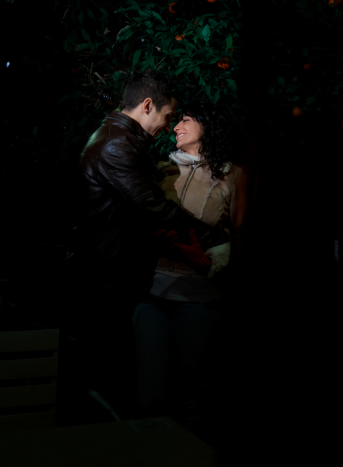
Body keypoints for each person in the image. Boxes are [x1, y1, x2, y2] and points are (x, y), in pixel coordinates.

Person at [68, 70, 229, 412]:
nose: (168, 126)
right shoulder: (117, 145)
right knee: (106, 385)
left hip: (123, 280)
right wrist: (213, 239)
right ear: (146, 105)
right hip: (107, 280)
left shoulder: (123, 140)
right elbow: (153, 208)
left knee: (122, 382)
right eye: (168, 116)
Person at [131, 101, 248, 430]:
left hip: (198, 300)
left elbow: (243, 240)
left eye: (185, 119)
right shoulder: (160, 168)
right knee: (148, 396)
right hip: (151, 295)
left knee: (189, 393)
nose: (176, 125)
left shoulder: (234, 175)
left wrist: (209, 260)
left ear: (208, 126)